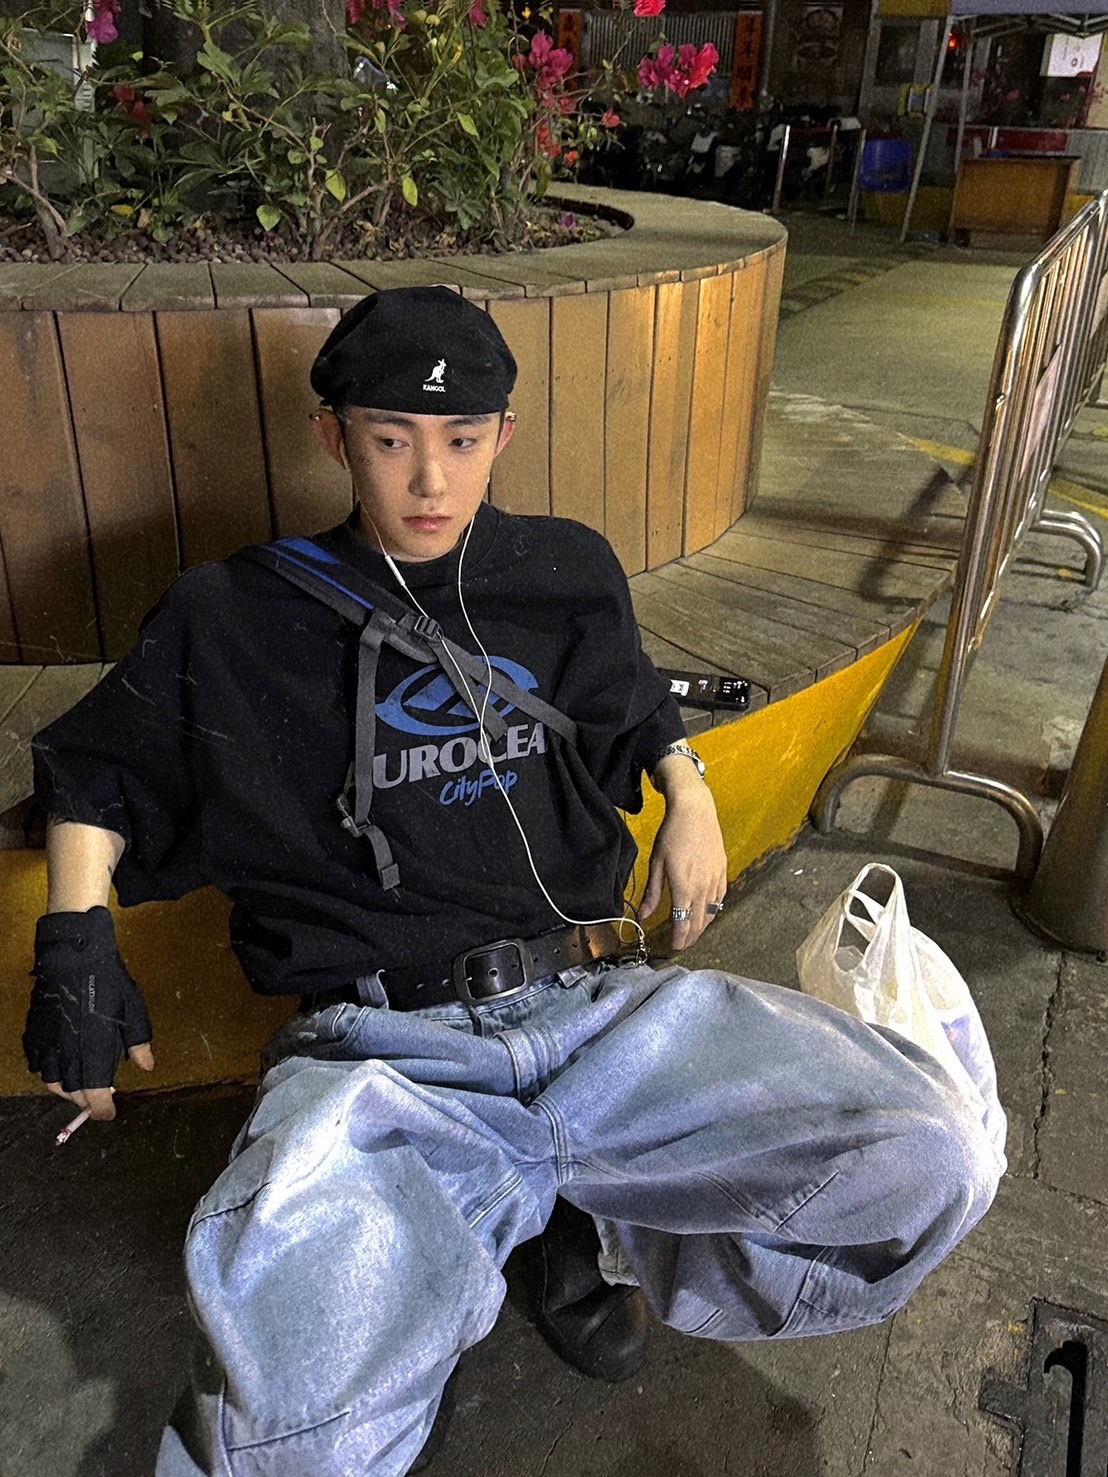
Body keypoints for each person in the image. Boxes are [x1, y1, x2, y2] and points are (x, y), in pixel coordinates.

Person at [23, 287, 1001, 1477]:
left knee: (933, 1154)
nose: (430, 480)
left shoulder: (563, 569)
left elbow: (628, 698)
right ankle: (467, 1251)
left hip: (604, 1008)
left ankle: (607, 1221)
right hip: (386, 1053)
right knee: (288, 1443)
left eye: (463, 439)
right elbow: (94, 772)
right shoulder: (232, 614)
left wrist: (687, 788)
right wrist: (76, 948)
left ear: (504, 437)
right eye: (391, 440)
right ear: (333, 437)